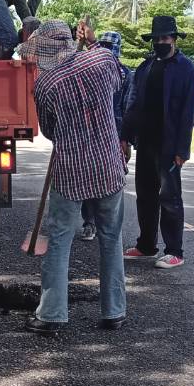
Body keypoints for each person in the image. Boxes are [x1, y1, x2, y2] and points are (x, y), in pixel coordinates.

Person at [22, 20, 128, 336]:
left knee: (59, 240)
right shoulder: (103, 59)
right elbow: (119, 85)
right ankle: (114, 312)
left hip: (71, 170)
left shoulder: (45, 85)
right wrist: (92, 45)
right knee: (111, 237)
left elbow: (50, 131)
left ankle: (52, 314)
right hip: (109, 166)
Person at [122, 15, 194, 269]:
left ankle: (174, 250)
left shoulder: (185, 68)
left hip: (169, 145)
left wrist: (182, 149)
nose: (161, 42)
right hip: (145, 141)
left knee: (170, 197)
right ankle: (146, 245)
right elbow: (133, 104)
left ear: (174, 39)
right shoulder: (145, 67)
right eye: (157, 39)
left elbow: (188, 111)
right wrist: (125, 136)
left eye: (165, 38)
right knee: (144, 195)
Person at [79, 27, 134, 241]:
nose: (109, 52)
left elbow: (127, 107)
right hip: (89, 132)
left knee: (112, 181)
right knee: (87, 178)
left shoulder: (125, 74)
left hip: (114, 133)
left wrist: (125, 140)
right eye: (106, 47)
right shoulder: (89, 71)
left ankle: (106, 226)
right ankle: (89, 222)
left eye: (112, 48)